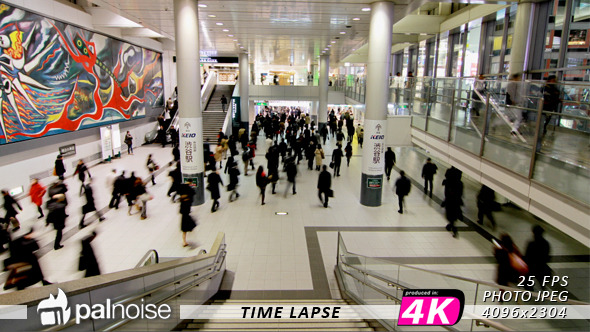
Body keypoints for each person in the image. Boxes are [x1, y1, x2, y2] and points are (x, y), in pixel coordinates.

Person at [524, 226, 551, 291]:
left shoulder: (531, 243)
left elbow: (527, 255)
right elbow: (547, 256)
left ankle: (529, 289)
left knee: (527, 278)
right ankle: (543, 289)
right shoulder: (546, 243)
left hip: (531, 266)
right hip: (541, 266)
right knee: (541, 280)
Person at [442, 167, 463, 238]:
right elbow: (460, 194)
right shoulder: (460, 183)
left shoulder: (448, 183)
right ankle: (450, 225)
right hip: (456, 202)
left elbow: (447, 193)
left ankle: (453, 228)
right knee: (453, 216)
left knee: (450, 216)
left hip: (450, 201)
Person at [179, 180, 197, 247]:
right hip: (186, 214)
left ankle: (184, 242)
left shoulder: (182, 188)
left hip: (184, 213)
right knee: (186, 227)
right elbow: (193, 194)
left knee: (184, 230)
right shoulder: (189, 191)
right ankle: (184, 241)